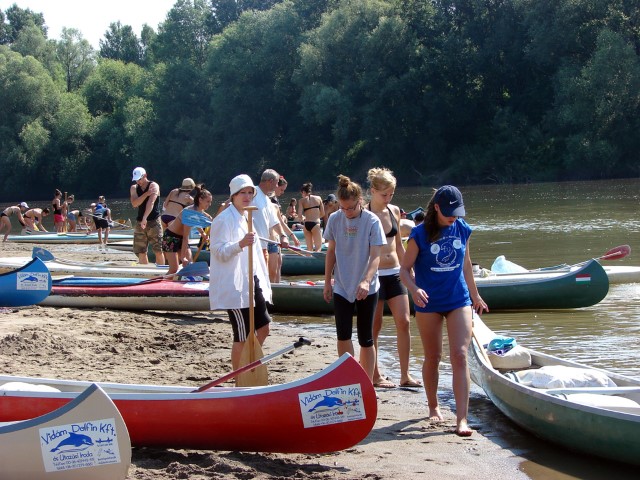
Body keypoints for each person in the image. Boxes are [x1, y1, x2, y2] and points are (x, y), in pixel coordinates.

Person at [399, 185, 489, 437]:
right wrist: (414, 289)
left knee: (460, 356)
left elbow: (467, 265)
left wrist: (476, 295)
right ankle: (433, 406)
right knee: (433, 356)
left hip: (458, 299)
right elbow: (404, 271)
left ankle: (461, 419)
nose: (454, 217)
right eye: (449, 212)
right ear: (436, 207)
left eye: (457, 212)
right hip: (428, 302)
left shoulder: (463, 229)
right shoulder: (419, 234)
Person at [323, 175, 386, 381]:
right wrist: (326, 282)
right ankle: (349, 379)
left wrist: (366, 280)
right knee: (343, 334)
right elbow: (330, 252)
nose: (347, 212)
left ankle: (367, 382)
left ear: (360, 201)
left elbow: (376, 255)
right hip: (342, 283)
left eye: (350, 208)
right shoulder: (335, 219)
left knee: (366, 338)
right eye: (343, 208)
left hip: (367, 285)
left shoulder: (372, 221)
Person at [209, 174, 272, 370]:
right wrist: (240, 244)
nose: (246, 197)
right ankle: (239, 377)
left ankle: (248, 366)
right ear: (233, 196)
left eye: (250, 193)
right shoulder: (223, 219)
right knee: (242, 335)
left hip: (251, 280)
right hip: (234, 285)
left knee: (263, 327)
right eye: (242, 193)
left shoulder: (247, 216)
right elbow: (218, 252)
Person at [366, 167, 421, 388]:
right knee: (375, 326)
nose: (388, 198)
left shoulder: (394, 211)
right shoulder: (364, 213)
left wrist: (409, 269)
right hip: (374, 275)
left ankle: (405, 375)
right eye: (384, 194)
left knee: (405, 321)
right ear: (372, 191)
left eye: (391, 194)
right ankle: (375, 375)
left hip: (396, 273)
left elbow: (398, 246)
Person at [163, 184, 213, 274]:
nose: (210, 204)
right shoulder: (189, 212)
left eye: (210, 202)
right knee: (174, 268)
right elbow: (186, 237)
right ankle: (162, 285)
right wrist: (182, 257)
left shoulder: (199, 210)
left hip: (181, 238)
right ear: (200, 200)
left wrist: (203, 234)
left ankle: (185, 283)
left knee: (190, 264)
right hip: (170, 237)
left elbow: (197, 222)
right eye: (208, 201)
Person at [252, 169, 290, 265]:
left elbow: (274, 221)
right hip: (251, 246)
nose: (277, 186)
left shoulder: (267, 200)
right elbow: (230, 204)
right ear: (270, 181)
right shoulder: (251, 192)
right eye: (277, 183)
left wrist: (283, 236)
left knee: (263, 277)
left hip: (263, 247)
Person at [268, 176, 300, 283]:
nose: (282, 192)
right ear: (276, 186)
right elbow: (278, 222)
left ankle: (278, 286)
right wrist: (291, 235)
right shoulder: (270, 200)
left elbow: (280, 221)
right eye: (281, 189)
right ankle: (274, 288)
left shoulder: (275, 200)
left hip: (276, 237)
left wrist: (291, 235)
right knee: (274, 268)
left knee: (279, 263)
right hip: (272, 238)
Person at [130, 166, 164, 265]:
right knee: (141, 250)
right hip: (140, 221)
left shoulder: (154, 186)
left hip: (154, 220)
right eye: (136, 180)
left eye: (140, 179)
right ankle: (143, 271)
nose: (138, 182)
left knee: (158, 249)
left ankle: (161, 271)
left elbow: (151, 202)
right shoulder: (134, 188)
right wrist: (146, 194)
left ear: (145, 176)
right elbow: (135, 203)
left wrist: (145, 218)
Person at [297, 182, 325, 251]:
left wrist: (303, 219)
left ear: (303, 192)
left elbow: (299, 216)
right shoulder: (318, 198)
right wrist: (317, 217)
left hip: (306, 224)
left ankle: (308, 259)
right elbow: (323, 213)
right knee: (318, 248)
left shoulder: (301, 201)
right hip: (315, 224)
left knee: (309, 249)